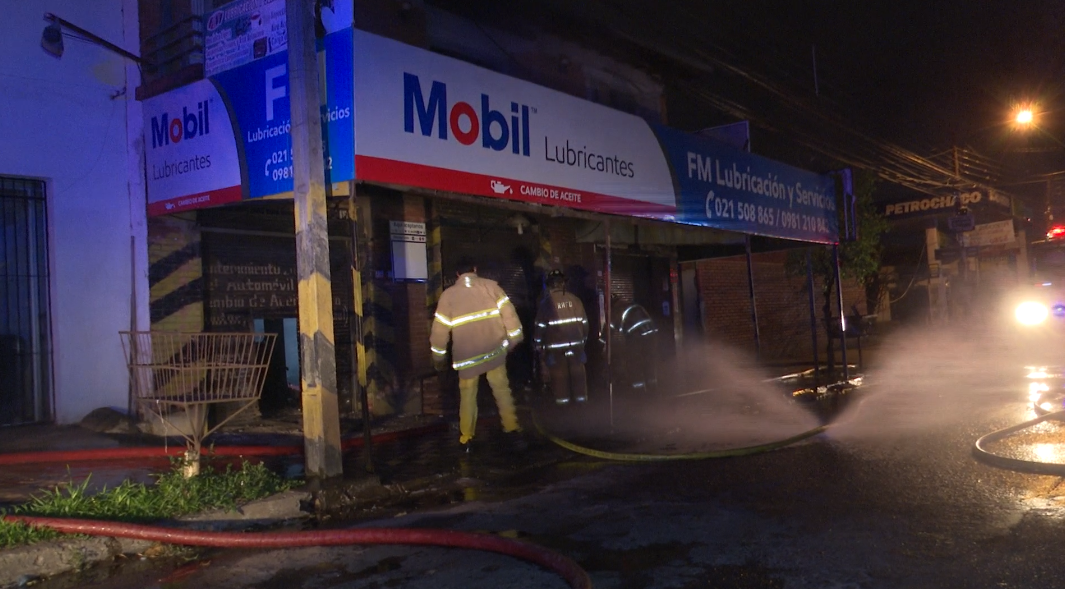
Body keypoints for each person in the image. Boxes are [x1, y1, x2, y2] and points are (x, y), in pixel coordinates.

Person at [430, 258, 526, 452]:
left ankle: (466, 439)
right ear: (475, 269)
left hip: (467, 357)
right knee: (502, 392)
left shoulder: (448, 296)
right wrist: (514, 340)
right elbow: (510, 315)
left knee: (467, 397)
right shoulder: (491, 287)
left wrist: (438, 358)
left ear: (457, 274)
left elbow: (439, 331)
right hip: (494, 351)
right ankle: (512, 430)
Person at [534, 269, 590, 405]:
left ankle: (564, 413)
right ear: (563, 284)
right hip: (576, 349)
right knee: (579, 381)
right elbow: (585, 325)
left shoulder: (546, 303)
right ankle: (583, 412)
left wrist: (538, 345)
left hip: (556, 352)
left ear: (549, 285)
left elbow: (540, 327)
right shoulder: (576, 300)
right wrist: (581, 344)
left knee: (560, 383)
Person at [604, 296, 659, 394]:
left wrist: (601, 345)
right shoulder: (633, 305)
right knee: (649, 363)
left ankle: (639, 392)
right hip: (651, 334)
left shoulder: (617, 309)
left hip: (637, 336)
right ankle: (653, 390)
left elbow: (609, 329)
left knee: (634, 364)